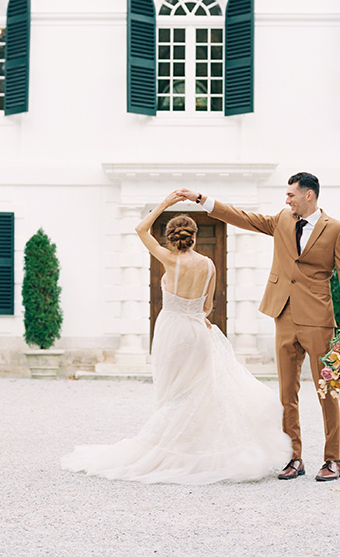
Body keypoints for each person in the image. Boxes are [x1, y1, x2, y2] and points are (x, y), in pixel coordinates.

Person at [61, 191, 290, 485]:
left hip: (171, 330)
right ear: (193, 236)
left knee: (172, 393)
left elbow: (140, 229)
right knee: (198, 392)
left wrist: (165, 204)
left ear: (172, 237)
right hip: (197, 332)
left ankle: (171, 450)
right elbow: (207, 307)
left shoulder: (169, 259)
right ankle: (193, 449)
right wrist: (198, 314)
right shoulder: (208, 265)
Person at [177, 172, 340, 482]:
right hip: (283, 314)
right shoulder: (282, 220)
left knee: (326, 390)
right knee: (287, 393)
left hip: (318, 320)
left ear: (309, 196)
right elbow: (242, 218)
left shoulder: (337, 230)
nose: (286, 200)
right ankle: (294, 456)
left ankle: (332, 459)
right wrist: (200, 199)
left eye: (291, 195)